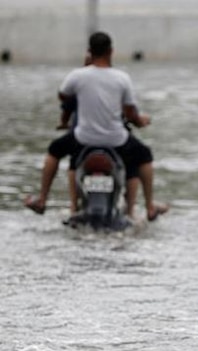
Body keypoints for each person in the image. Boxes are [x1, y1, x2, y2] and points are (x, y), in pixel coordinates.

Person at [24, 31, 168, 221]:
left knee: (54, 151)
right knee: (145, 156)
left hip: (84, 138)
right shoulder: (121, 78)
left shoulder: (77, 76)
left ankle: (42, 200)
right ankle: (149, 206)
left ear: (89, 52)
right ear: (111, 51)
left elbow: (63, 96)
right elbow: (131, 113)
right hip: (116, 139)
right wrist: (141, 121)